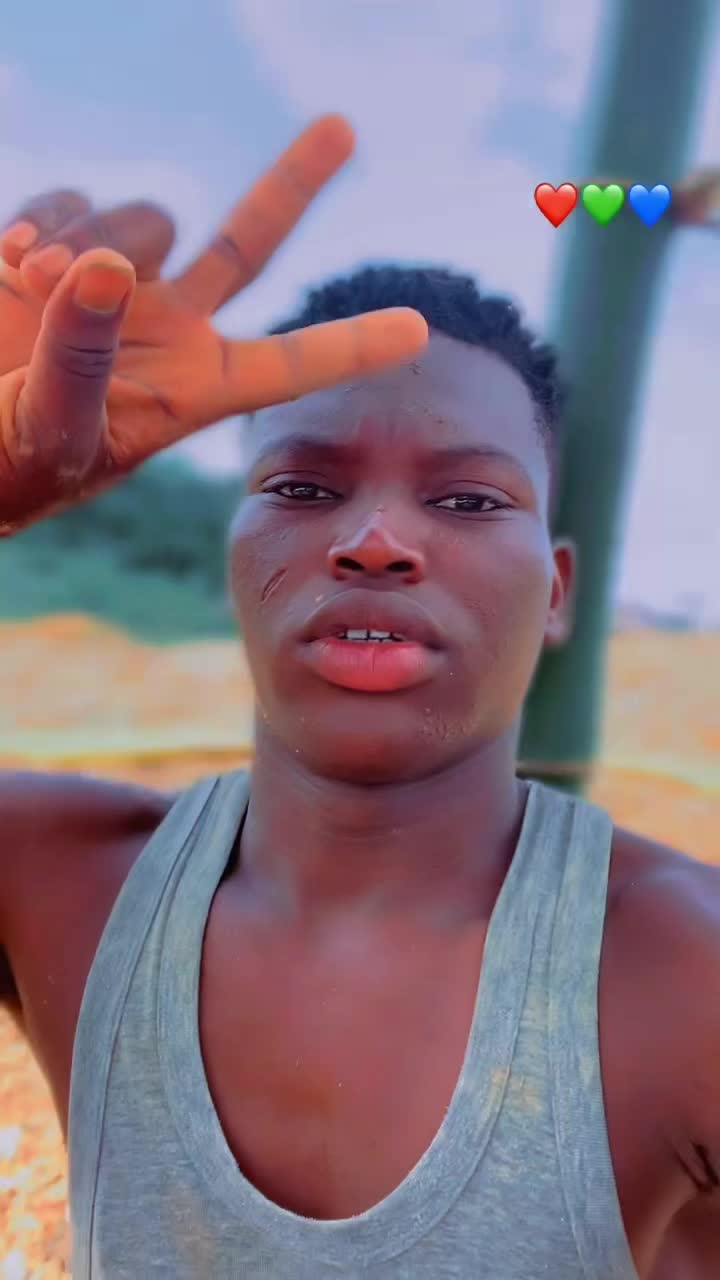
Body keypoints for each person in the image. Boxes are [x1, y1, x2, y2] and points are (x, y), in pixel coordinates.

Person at [0, 114, 717, 1280]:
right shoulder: (54, 878)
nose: (377, 539)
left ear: (556, 591)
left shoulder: (689, 972)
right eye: (301, 486)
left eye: (470, 500)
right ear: (232, 548)